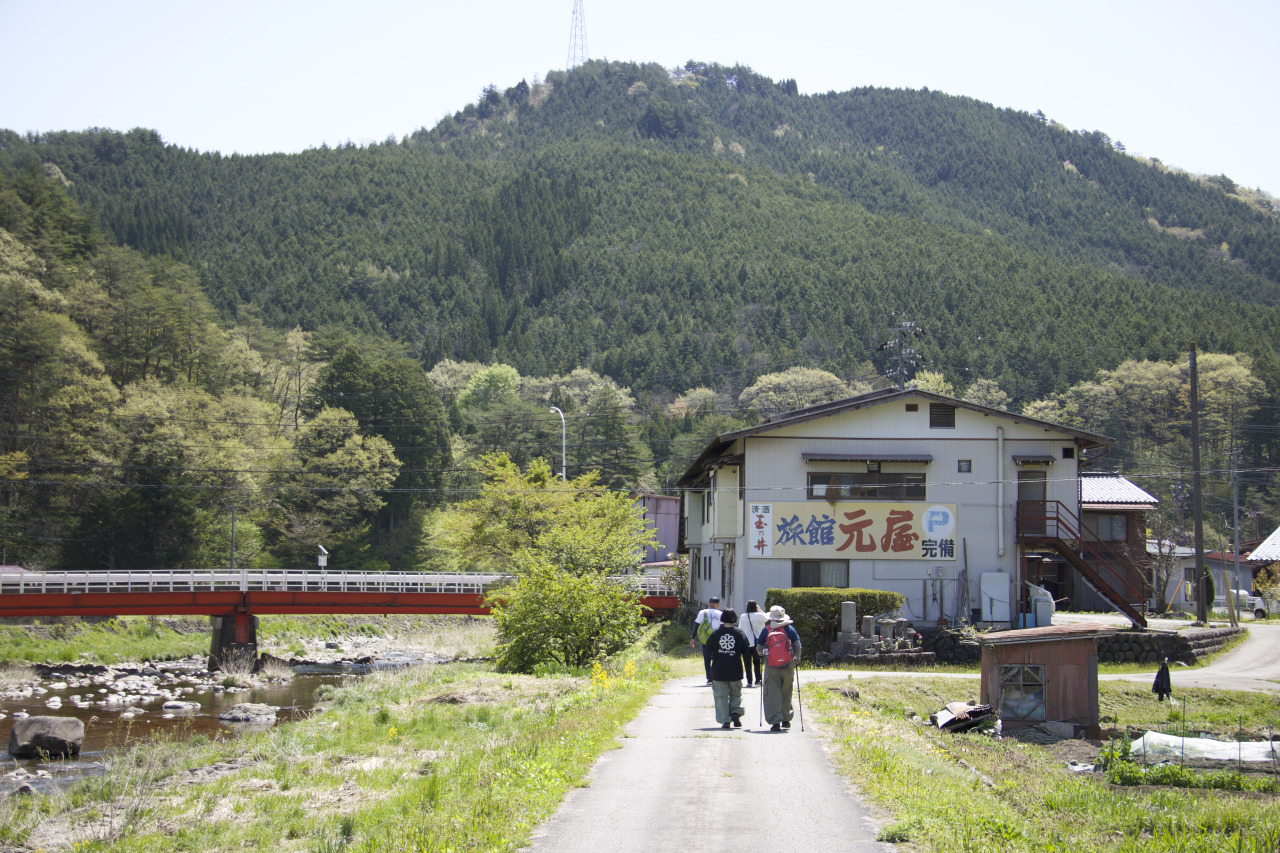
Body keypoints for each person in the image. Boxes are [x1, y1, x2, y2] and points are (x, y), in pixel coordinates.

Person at [756, 605, 802, 732]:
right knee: (786, 691)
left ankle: (775, 721)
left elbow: (759, 648)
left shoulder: (767, 630)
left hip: (772, 666)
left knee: (772, 693)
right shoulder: (790, 629)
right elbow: (798, 645)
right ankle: (786, 719)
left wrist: (763, 653)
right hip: (788, 665)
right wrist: (797, 659)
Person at [706, 609, 753, 729]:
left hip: (718, 670)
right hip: (735, 669)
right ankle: (735, 712)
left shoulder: (715, 632)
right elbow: (746, 650)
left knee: (721, 695)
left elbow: (708, 648)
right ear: (735, 619)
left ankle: (725, 720)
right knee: (736, 694)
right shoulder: (739, 632)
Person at [689, 596, 722, 684]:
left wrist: (692, 637)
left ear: (709, 603)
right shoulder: (720, 613)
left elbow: (696, 625)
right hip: (717, 639)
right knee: (716, 658)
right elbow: (723, 627)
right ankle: (716, 676)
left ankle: (709, 678)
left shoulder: (702, 612)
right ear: (717, 604)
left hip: (705, 639)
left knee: (707, 658)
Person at [740, 600, 768, 688]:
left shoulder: (743, 616)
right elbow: (767, 618)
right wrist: (759, 610)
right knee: (757, 661)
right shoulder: (759, 615)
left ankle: (749, 681)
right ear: (755, 606)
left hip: (746, 643)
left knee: (747, 662)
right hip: (757, 642)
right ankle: (758, 680)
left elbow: (740, 628)